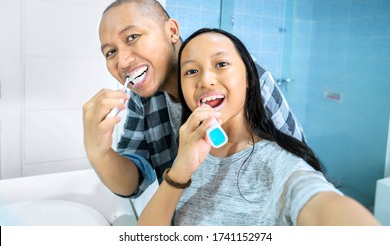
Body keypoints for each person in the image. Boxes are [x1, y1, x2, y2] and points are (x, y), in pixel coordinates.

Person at [137, 28, 380, 226]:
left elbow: (324, 206)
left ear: (249, 80)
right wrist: (181, 170)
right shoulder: (189, 155)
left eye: (221, 64)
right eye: (191, 71)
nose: (206, 80)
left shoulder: (280, 165)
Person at [83, 0, 305, 199]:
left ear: (171, 31)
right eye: (110, 52)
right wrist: (99, 152)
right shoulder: (142, 99)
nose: (121, 62)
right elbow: (132, 183)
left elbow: (298, 169)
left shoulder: (244, 78)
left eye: (132, 37)